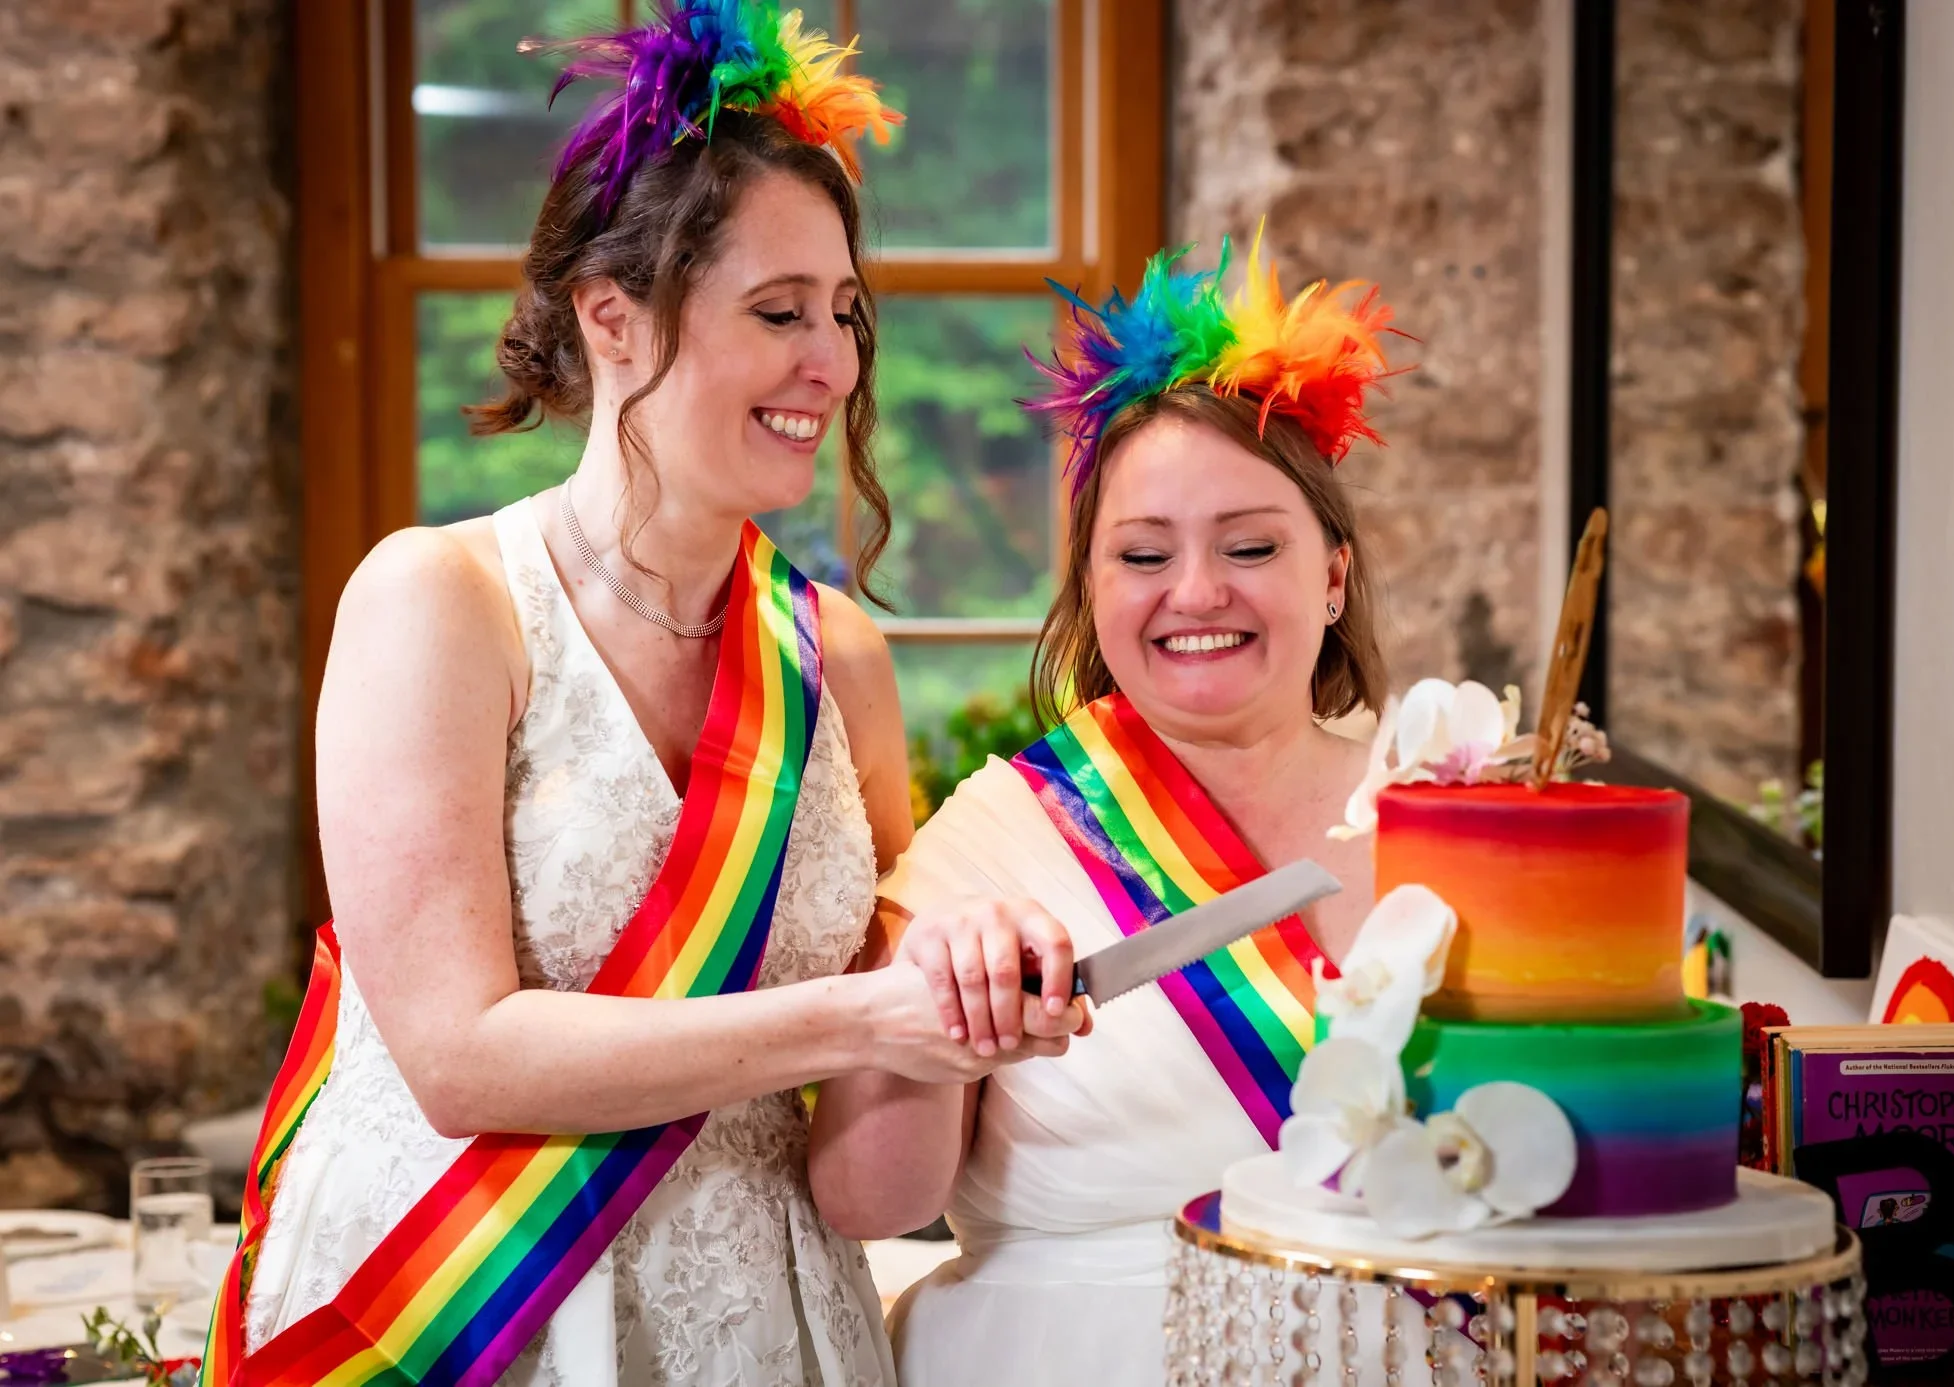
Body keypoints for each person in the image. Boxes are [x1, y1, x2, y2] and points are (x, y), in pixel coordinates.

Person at [200, 5, 1082, 1384]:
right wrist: (863, 1015)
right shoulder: (441, 601)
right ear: (613, 317)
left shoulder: (841, 658)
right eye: (779, 312)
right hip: (470, 1304)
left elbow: (876, 1156)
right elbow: (458, 1058)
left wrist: (954, 1002)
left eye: (844, 313)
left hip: (768, 1319)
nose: (833, 362)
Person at [806, 235, 1409, 1384]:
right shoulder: (988, 848)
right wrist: (932, 1014)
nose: (1197, 592)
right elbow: (864, 1199)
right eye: (1142, 555)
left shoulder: (1451, 812)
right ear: (1090, 584)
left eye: (1250, 546)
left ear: (1332, 576)